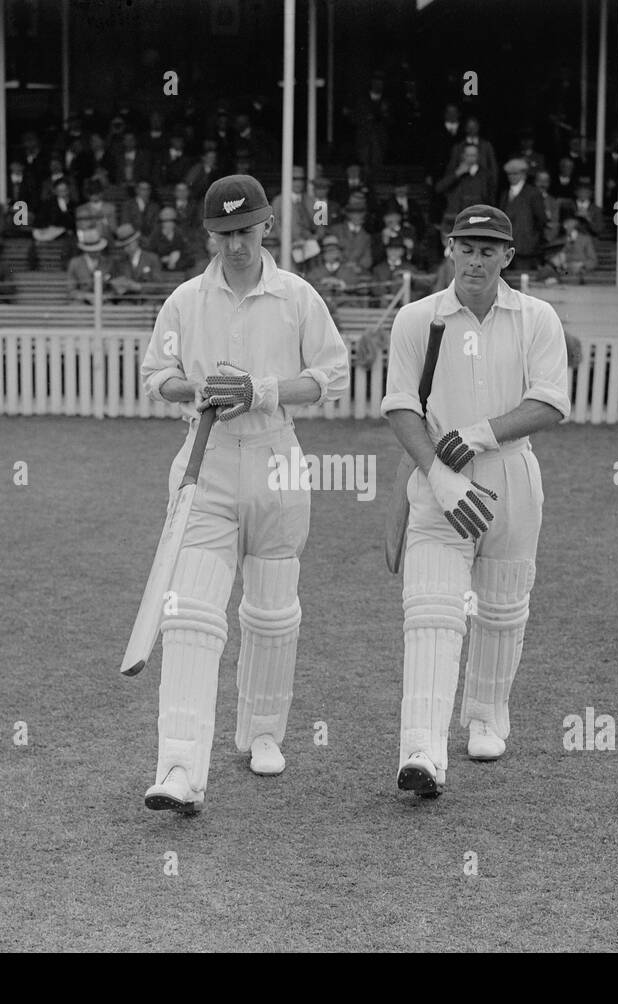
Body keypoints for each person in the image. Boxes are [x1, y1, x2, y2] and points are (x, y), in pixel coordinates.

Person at [136, 174, 350, 814]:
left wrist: (262, 390)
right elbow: (157, 376)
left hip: (277, 459)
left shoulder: (296, 297)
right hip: (205, 462)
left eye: (246, 231)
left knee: (272, 612)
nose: (236, 245)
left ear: (265, 227)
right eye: (224, 234)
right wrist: (195, 390)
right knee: (191, 615)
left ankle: (262, 733)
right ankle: (178, 767)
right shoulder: (184, 301)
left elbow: (332, 375)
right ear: (210, 235)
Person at [380, 204, 570, 798]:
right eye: (467, 247)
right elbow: (401, 406)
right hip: (439, 482)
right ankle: (422, 748)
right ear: (450, 249)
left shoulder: (537, 318)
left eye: (490, 250)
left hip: (511, 476)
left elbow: (551, 402)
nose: (477, 260)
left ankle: (487, 717)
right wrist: (437, 473)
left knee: (502, 610)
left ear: (508, 257)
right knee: (431, 615)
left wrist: (479, 434)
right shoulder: (417, 319)